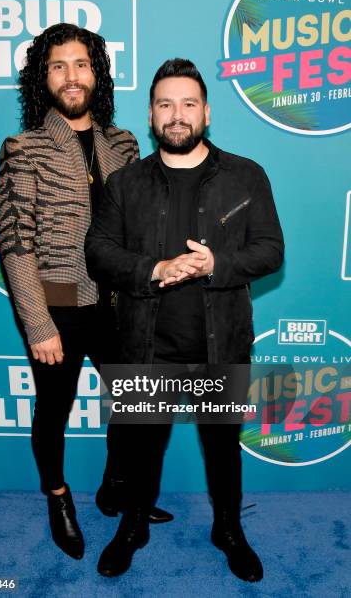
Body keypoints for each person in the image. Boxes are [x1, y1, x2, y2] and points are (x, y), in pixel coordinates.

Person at [85, 58, 284, 580]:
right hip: (145, 348)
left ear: (207, 112)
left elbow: (270, 251)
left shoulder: (246, 174)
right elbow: (98, 253)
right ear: (151, 115)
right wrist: (155, 268)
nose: (177, 115)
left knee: (223, 450)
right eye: (166, 104)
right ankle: (132, 526)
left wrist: (218, 263)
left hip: (221, 347)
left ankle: (228, 528)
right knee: (139, 447)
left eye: (188, 104)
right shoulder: (124, 183)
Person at [0, 22, 171, 562]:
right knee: (54, 408)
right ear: (42, 78)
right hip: (59, 305)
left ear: (96, 73)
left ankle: (117, 486)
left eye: (81, 64)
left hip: (120, 306)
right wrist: (38, 322)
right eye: (57, 66)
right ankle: (58, 497)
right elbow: (15, 243)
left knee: (136, 404)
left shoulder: (123, 143)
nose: (71, 77)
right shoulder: (23, 148)